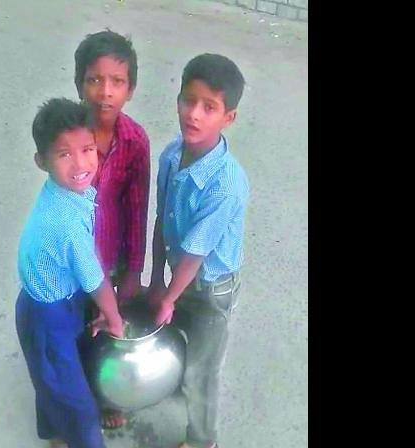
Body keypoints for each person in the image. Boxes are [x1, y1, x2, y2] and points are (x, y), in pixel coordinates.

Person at [147, 54, 249, 448]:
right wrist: (157, 280)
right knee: (173, 338)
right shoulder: (172, 155)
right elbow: (162, 218)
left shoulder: (226, 184)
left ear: (229, 118)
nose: (194, 114)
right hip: (179, 273)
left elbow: (196, 254)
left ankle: (202, 438)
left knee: (201, 373)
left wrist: (169, 295)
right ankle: (175, 382)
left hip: (210, 287)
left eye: (209, 107)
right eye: (188, 100)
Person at [16, 97, 123, 448]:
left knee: (52, 377)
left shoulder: (68, 194)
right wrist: (115, 318)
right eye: (64, 155)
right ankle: (78, 438)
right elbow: (94, 278)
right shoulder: (64, 222)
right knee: (74, 400)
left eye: (87, 149)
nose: (80, 164)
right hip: (46, 314)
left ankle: (53, 432)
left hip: (57, 296)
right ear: (41, 161)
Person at [73, 29, 150, 430]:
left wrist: (134, 270)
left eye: (116, 82)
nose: (105, 91)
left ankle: (106, 398)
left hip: (112, 257)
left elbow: (137, 208)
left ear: (130, 89)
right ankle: (72, 403)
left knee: (108, 325)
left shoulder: (135, 141)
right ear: (79, 83)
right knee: (74, 330)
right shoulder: (68, 136)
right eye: (95, 79)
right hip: (72, 257)